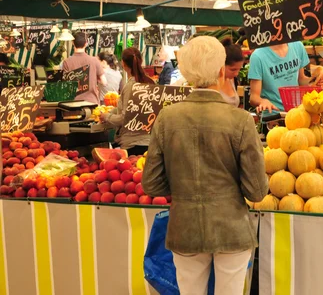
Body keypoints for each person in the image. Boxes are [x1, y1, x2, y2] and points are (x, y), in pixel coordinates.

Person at [142, 36, 268, 294]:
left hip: (184, 227)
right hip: (231, 229)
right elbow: (256, 190)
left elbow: (151, 184)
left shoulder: (167, 118)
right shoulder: (241, 120)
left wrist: (182, 188)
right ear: (222, 71)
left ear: (186, 72)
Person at [101, 48, 154, 156]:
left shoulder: (130, 86)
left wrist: (106, 116)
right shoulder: (151, 82)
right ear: (141, 60)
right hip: (150, 141)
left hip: (132, 144)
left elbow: (125, 118)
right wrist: (114, 110)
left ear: (123, 64)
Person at [248, 41, 323, 113]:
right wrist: (262, 101)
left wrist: (314, 80)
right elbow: (254, 97)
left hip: (297, 111)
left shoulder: (297, 46)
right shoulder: (258, 56)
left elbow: (301, 80)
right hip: (274, 115)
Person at [62, 32, 107, 104]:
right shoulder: (94, 60)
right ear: (86, 44)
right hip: (92, 102)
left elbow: (65, 84)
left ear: (73, 43)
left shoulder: (66, 62)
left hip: (73, 104)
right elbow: (104, 82)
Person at [219, 38, 244, 107]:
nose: (236, 74)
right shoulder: (212, 83)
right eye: (233, 70)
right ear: (222, 64)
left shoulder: (232, 80)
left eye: (239, 69)